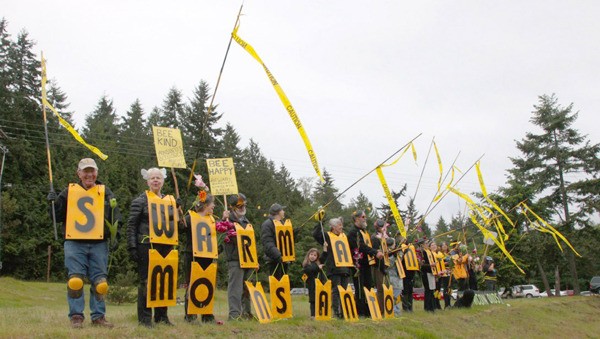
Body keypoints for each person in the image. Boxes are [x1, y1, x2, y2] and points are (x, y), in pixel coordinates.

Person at [47, 158, 121, 328]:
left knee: (100, 283)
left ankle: (98, 317)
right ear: (78, 173)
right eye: (85, 171)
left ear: (97, 173)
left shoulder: (106, 192)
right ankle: (76, 317)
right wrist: (52, 202)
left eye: (92, 171)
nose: (89, 175)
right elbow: (56, 217)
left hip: (99, 243)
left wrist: (116, 235)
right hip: (74, 242)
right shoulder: (68, 191)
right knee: (75, 281)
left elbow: (115, 215)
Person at [127, 167, 178, 327]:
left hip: (166, 246)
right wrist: (132, 247)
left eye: (158, 178)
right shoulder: (140, 201)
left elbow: (174, 225)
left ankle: (161, 316)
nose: (155, 180)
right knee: (146, 281)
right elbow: (131, 225)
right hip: (146, 245)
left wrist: (177, 210)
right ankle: (145, 318)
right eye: (152, 178)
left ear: (163, 180)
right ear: (147, 181)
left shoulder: (169, 201)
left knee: (164, 280)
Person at [182, 187, 227, 325]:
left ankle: (207, 315)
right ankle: (190, 315)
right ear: (205, 205)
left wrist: (225, 221)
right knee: (192, 284)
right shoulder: (190, 218)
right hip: (192, 255)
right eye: (212, 204)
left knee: (208, 284)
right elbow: (180, 229)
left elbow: (213, 238)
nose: (214, 206)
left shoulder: (213, 220)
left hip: (207, 256)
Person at [221, 193, 254, 320]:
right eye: (239, 205)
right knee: (235, 288)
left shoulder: (246, 221)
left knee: (247, 288)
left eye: (244, 205)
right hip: (235, 259)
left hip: (248, 259)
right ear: (232, 207)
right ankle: (234, 314)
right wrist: (224, 220)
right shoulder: (228, 220)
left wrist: (254, 260)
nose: (242, 208)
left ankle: (246, 313)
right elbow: (219, 231)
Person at [313, 217, 352, 319]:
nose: (341, 227)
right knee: (336, 290)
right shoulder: (327, 236)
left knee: (344, 290)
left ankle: (344, 312)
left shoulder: (344, 236)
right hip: (334, 268)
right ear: (333, 227)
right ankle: (337, 312)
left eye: (341, 225)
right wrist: (321, 221)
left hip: (345, 267)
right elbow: (316, 235)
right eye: (339, 225)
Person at [347, 210, 383, 317]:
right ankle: (360, 312)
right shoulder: (353, 232)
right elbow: (361, 246)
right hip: (358, 264)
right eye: (363, 217)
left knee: (368, 287)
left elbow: (369, 245)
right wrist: (375, 252)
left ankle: (368, 311)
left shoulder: (365, 232)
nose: (365, 218)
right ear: (357, 218)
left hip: (367, 264)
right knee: (359, 288)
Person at [370, 219, 394, 315]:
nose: (386, 229)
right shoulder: (375, 237)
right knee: (380, 289)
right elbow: (375, 252)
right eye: (384, 227)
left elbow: (389, 253)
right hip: (378, 266)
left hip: (386, 265)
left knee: (387, 287)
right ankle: (380, 310)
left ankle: (388, 309)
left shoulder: (387, 237)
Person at [261, 203, 289, 279]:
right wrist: (278, 255)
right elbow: (268, 243)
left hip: (284, 259)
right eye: (282, 210)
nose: (284, 212)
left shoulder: (282, 223)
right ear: (278, 212)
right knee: (276, 286)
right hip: (274, 260)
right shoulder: (267, 224)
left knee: (284, 285)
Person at [302, 248, 325, 319]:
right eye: (311, 254)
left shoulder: (318, 263)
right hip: (312, 285)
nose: (312, 256)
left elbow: (324, 256)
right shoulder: (306, 264)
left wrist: (325, 248)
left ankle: (321, 313)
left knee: (321, 299)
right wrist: (318, 268)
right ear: (308, 255)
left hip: (319, 284)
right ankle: (313, 315)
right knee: (313, 300)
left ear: (317, 257)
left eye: (315, 255)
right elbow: (310, 269)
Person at [437, 242, 452, 309]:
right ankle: (446, 304)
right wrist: (446, 263)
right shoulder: (440, 254)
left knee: (449, 288)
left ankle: (449, 303)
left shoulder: (449, 254)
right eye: (443, 245)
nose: (444, 246)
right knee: (445, 288)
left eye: (445, 245)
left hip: (449, 272)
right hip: (444, 272)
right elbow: (440, 262)